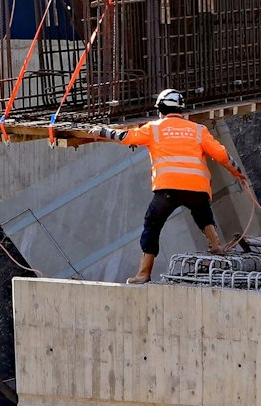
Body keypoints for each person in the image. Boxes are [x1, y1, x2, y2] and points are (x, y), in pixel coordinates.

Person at [99, 89, 247, 284]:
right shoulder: (198, 130)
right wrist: (237, 172)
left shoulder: (154, 128)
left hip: (167, 189)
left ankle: (143, 273)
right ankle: (216, 246)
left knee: (152, 225)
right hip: (197, 188)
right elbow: (221, 154)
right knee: (202, 213)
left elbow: (127, 137)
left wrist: (101, 131)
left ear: (160, 109)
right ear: (181, 109)